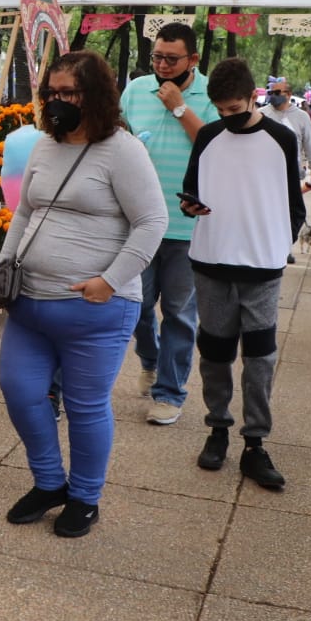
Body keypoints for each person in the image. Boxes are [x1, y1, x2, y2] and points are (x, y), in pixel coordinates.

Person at [0, 50, 167, 538]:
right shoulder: (45, 148)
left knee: (86, 406)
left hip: (96, 309)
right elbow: (25, 213)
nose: (57, 101)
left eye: (68, 92)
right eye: (52, 92)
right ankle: (49, 482)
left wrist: (109, 281)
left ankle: (85, 497)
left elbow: (152, 222)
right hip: (29, 303)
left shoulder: (122, 150)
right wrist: (3, 265)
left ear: (94, 96)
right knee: (21, 393)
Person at [181, 57, 304, 491]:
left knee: (260, 357)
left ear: (254, 97)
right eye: (220, 111)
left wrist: (278, 243)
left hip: (262, 265)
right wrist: (189, 205)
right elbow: (192, 187)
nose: (227, 118)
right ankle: (217, 429)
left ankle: (255, 443)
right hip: (212, 259)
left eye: (234, 109)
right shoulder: (210, 135)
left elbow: (294, 202)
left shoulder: (281, 138)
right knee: (214, 354)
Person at [119, 22, 215, 425]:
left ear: (192, 59)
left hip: (184, 226)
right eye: (156, 56)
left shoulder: (209, 94)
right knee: (134, 307)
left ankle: (170, 393)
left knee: (178, 312)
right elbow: (118, 133)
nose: (161, 65)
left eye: (171, 59)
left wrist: (179, 106)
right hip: (137, 221)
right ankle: (150, 359)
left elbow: (213, 145)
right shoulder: (136, 89)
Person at [260, 77, 311, 222]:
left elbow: (310, 145)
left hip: (292, 170)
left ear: (288, 94)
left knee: (289, 208)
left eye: (277, 92)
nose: (273, 96)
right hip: (265, 171)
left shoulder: (302, 117)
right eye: (271, 92)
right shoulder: (261, 114)